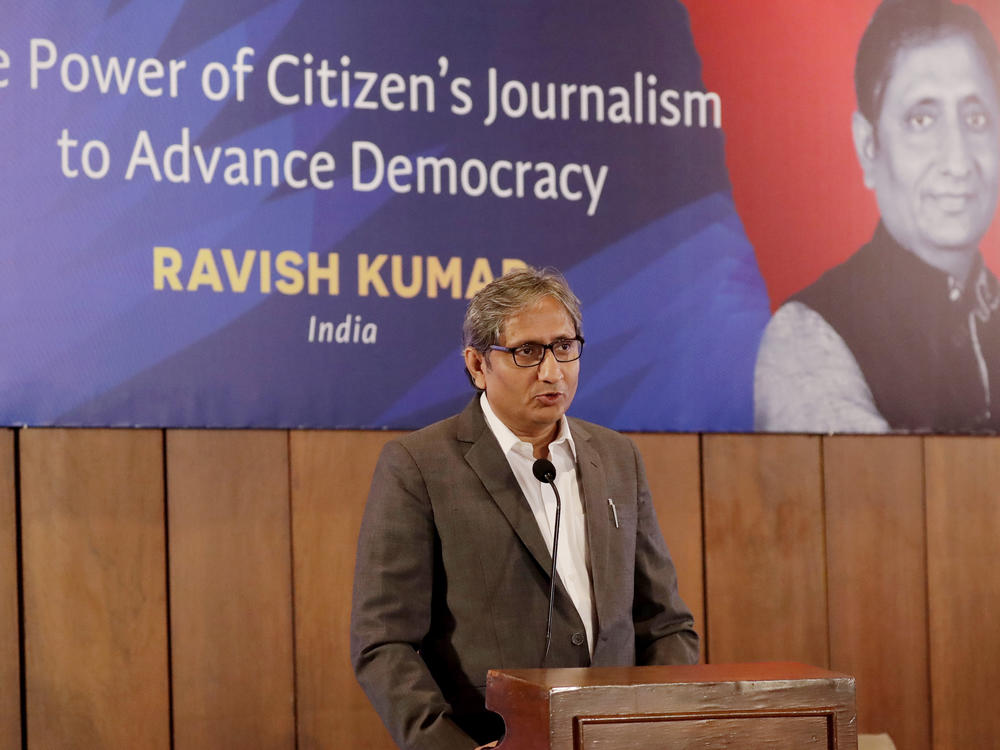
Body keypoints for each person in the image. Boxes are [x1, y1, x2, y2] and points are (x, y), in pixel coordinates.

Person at [350, 267, 698, 750]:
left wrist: (656, 728)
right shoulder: (419, 465)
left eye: (564, 346)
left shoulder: (618, 457)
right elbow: (384, 642)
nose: (553, 371)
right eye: (527, 352)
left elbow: (666, 624)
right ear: (477, 365)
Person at [755, 0, 1000, 433]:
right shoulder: (810, 334)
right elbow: (874, 493)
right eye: (922, 119)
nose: (958, 162)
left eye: (976, 117)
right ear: (869, 146)